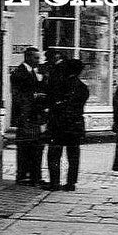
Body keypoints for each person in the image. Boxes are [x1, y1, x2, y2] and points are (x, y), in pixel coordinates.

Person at [45, 58, 89, 191]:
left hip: (58, 124)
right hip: (75, 125)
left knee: (54, 154)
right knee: (73, 155)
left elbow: (52, 102)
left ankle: (54, 183)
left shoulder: (59, 85)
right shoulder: (83, 88)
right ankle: (71, 183)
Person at [10, 46, 47, 186]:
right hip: (25, 117)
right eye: (36, 58)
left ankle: (34, 176)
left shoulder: (32, 72)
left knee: (35, 147)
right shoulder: (19, 73)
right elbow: (18, 96)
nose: (38, 61)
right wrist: (35, 96)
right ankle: (24, 176)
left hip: (33, 116)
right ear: (28, 57)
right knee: (26, 147)